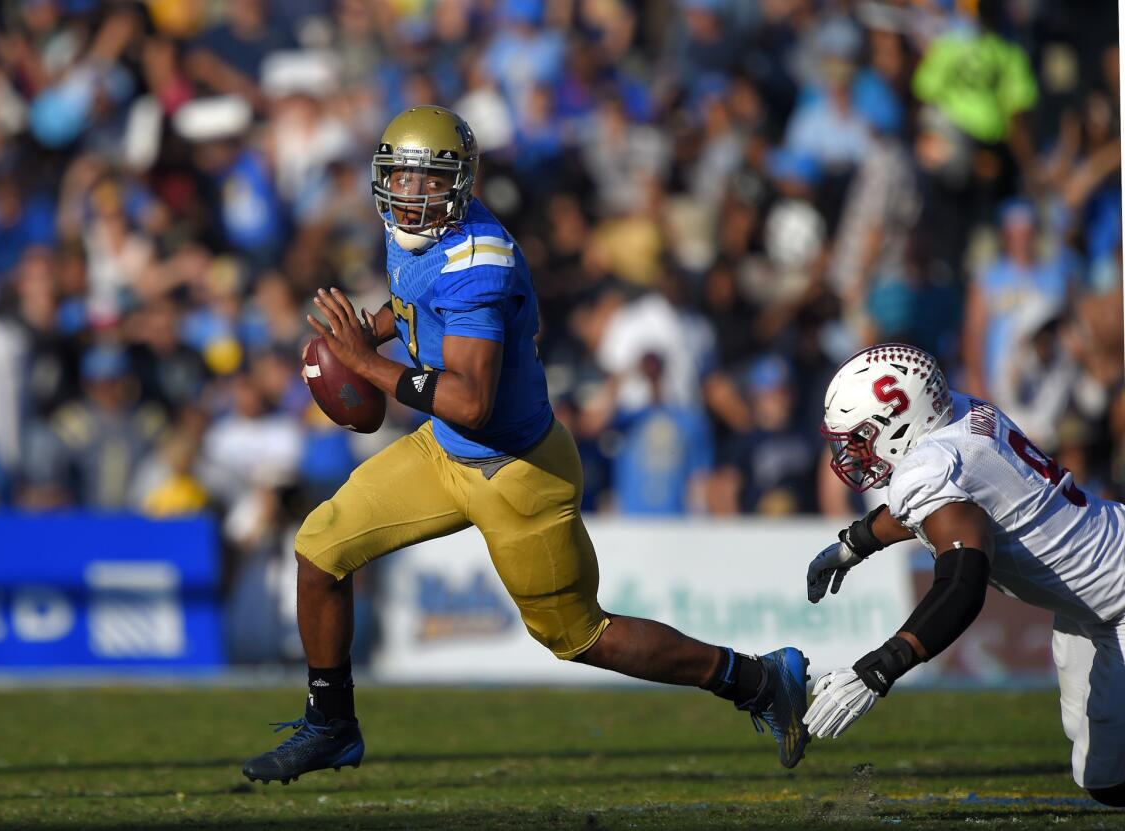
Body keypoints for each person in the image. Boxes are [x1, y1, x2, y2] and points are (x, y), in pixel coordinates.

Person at [241, 106, 811, 783]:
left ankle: (756, 679)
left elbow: (472, 400)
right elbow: (414, 298)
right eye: (398, 177)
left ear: (457, 185)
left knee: (579, 636)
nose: (407, 194)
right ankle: (331, 724)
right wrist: (369, 332)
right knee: (319, 548)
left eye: (425, 182)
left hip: (518, 471)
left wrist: (367, 367)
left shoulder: (481, 263)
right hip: (445, 452)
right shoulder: (419, 235)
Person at [802, 343, 1125, 808]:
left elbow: (961, 584)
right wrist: (855, 543)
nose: (852, 451)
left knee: (1111, 779)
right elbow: (930, 511)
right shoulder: (960, 412)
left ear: (898, 422)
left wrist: (878, 670)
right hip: (1091, 600)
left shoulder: (931, 466)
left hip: (1116, 599)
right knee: (1100, 771)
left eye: (858, 436)